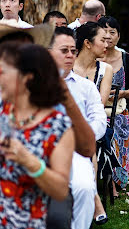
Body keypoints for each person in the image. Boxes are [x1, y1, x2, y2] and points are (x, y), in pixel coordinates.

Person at [0, 42, 74, 229]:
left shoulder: (58, 126)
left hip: (22, 222)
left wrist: (29, 161)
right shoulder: (2, 110)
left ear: (26, 78)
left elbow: (60, 191)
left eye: (2, 72)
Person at [48, 26, 106, 229]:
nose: (70, 55)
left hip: (76, 152)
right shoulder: (32, 84)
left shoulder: (85, 86)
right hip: (39, 151)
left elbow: (99, 120)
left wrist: (79, 136)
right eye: (64, 50)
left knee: (84, 187)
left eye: (73, 51)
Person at [73, 21, 112, 224]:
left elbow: (100, 103)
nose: (107, 44)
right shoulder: (67, 65)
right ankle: (93, 198)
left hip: (96, 124)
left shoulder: (106, 69)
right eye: (102, 40)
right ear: (88, 43)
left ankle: (90, 196)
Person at [98, 16, 129, 196]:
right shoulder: (92, 56)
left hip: (120, 109)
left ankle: (117, 179)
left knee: (119, 122)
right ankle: (103, 177)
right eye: (104, 32)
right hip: (97, 110)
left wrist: (123, 93)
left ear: (118, 36)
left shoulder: (126, 59)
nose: (108, 36)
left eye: (112, 32)